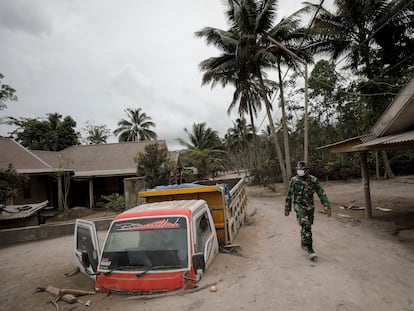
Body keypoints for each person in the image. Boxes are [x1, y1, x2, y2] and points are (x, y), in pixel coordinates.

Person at [284, 161, 331, 259]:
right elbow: (289, 195)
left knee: (307, 225)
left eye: (301, 170)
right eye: (298, 170)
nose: (299, 171)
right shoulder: (294, 180)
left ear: (307, 170)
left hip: (310, 207)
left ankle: (303, 242)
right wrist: (287, 208)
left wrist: (327, 206)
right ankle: (310, 248)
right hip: (299, 206)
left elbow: (321, 193)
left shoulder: (313, 180)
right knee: (306, 224)